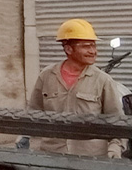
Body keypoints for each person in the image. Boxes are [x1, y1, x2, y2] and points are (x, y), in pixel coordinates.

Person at [29, 19, 124, 158]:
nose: (93, 51)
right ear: (68, 49)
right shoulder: (47, 76)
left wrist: (115, 149)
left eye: (94, 46)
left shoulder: (103, 80)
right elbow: (33, 114)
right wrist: (30, 142)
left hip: (91, 159)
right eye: (86, 46)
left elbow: (117, 121)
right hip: (52, 156)